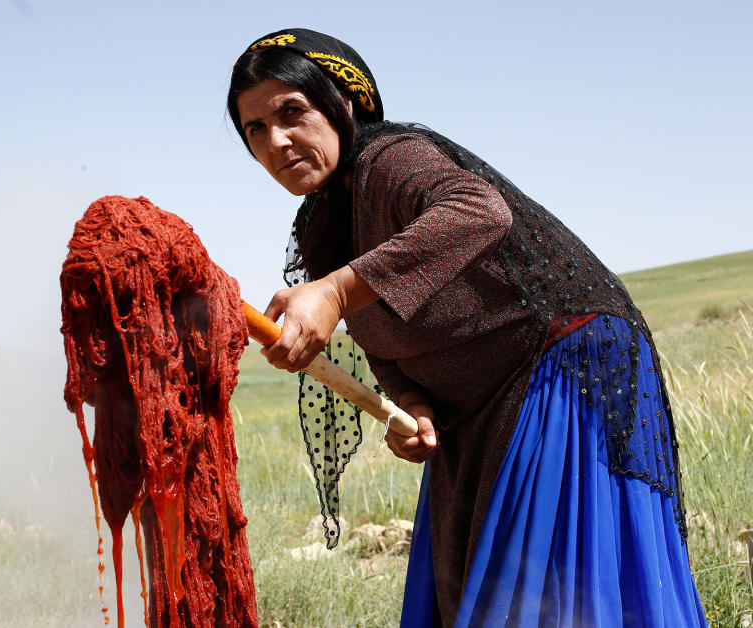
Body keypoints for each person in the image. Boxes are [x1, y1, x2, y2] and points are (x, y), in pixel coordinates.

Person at [227, 28, 708, 627]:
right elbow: (385, 346)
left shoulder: (389, 156)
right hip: (472, 410)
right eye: (255, 130)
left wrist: (333, 291)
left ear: (342, 104)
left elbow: (479, 210)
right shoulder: (327, 227)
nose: (277, 141)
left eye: (291, 113)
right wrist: (410, 404)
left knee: (551, 600)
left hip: (557, 368)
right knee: (465, 594)